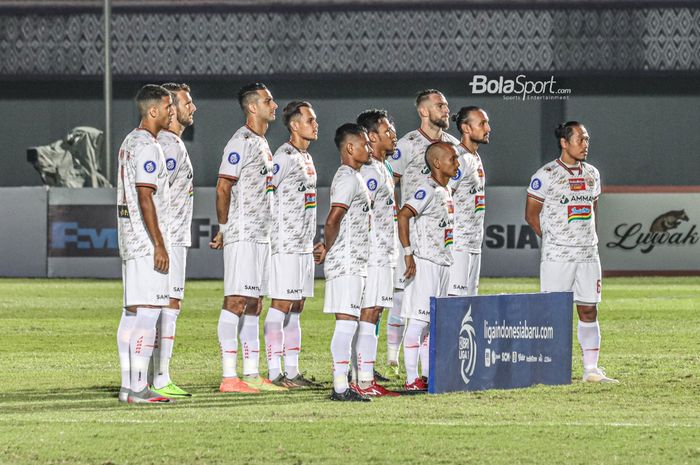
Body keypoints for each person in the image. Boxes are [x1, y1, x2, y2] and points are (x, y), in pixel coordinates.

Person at [525, 121, 618, 384]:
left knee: (589, 309)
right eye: (580, 139)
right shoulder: (545, 174)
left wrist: (590, 239)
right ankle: (548, 368)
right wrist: (555, 240)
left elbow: (592, 210)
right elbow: (531, 215)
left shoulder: (592, 174)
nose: (585, 144)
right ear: (564, 143)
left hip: (588, 255)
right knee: (553, 311)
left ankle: (591, 370)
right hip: (558, 256)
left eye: (587, 139)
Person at [209, 82, 285, 393]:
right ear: (253, 107)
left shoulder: (262, 143)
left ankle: (252, 373)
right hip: (242, 233)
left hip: (261, 236)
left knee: (255, 303)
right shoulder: (239, 142)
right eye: (269, 100)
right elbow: (223, 186)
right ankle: (229, 376)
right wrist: (225, 228)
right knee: (237, 300)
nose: (275, 105)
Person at [386, 89, 459, 377]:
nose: (446, 110)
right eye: (440, 105)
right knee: (402, 298)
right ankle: (396, 359)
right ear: (424, 111)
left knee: (430, 311)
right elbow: (389, 182)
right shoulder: (406, 145)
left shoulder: (452, 146)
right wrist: (396, 228)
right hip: (412, 233)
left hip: (440, 235)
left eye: (446, 104)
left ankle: (425, 371)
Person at [115, 84, 174, 403]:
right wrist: (159, 244)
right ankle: (138, 386)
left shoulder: (129, 141)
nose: (171, 111)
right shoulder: (150, 146)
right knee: (149, 314)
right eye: (167, 106)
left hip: (131, 238)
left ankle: (129, 385)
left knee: (132, 314)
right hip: (145, 242)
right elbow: (144, 194)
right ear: (153, 110)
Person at [314, 123, 373, 402]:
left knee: (349, 321)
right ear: (350, 148)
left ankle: (344, 381)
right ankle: (339, 386)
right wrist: (327, 246)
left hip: (355, 260)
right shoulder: (348, 178)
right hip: (347, 261)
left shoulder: (354, 176)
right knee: (346, 321)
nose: (369, 148)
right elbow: (333, 219)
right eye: (365, 144)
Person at [265, 101, 322, 388]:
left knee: (297, 306)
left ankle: (292, 371)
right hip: (285, 244)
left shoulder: (307, 158)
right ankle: (274, 373)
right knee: (281, 304)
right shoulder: (283, 156)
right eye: (310, 120)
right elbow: (266, 192)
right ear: (294, 125)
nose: (315, 124)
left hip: (303, 246)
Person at [146, 82, 197, 399]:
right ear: (171, 108)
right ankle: (159, 378)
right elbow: (148, 193)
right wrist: (159, 242)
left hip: (171, 237)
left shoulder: (171, 143)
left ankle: (153, 375)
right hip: (168, 239)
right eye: (187, 103)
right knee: (167, 305)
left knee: (161, 306)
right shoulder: (168, 146)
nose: (193, 108)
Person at [397, 141, 459, 391]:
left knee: (432, 323)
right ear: (436, 163)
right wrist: (409, 253)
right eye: (452, 159)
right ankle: (411, 378)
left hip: (443, 263)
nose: (456, 163)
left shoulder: (446, 190)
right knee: (418, 321)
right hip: (426, 263)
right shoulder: (427, 189)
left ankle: (427, 375)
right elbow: (404, 214)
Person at [353, 109, 400, 396]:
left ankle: (364, 376)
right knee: (368, 312)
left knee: (374, 311)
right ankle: (363, 380)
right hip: (372, 254)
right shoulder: (369, 170)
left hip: (385, 252)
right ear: (371, 137)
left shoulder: (384, 168)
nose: (393, 135)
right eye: (387, 131)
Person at [447, 106, 490, 297]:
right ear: (466, 128)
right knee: (453, 306)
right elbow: (443, 197)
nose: (488, 128)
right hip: (457, 246)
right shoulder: (457, 159)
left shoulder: (475, 157)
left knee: (469, 307)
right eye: (482, 123)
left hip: (473, 244)